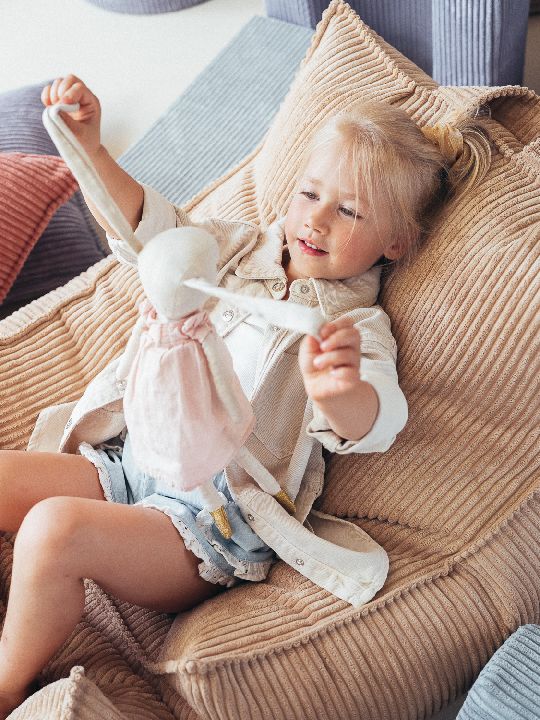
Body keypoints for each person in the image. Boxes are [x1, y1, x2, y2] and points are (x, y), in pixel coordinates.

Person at [0, 74, 489, 717]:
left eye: (349, 212)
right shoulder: (234, 249)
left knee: (53, 529)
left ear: (394, 243)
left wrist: (340, 392)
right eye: (309, 193)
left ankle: (5, 686)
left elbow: (377, 420)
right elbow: (149, 232)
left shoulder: (353, 327)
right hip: (127, 464)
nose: (316, 219)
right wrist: (90, 149)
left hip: (206, 524)